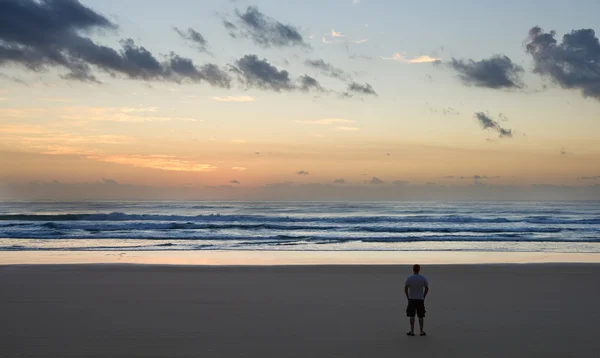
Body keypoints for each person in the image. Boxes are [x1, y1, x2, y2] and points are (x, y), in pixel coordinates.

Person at [404, 264, 429, 336]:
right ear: (419, 269)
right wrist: (424, 296)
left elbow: (405, 288)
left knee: (412, 316)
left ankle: (412, 331)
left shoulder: (409, 278)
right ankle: (421, 331)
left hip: (412, 299)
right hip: (420, 299)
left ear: (413, 269)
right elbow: (426, 288)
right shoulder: (423, 278)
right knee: (421, 316)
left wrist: (407, 296)